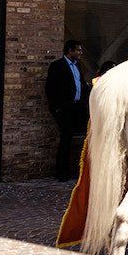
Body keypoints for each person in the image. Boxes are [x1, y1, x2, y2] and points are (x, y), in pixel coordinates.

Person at [44, 39, 91, 181]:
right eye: (78, 50)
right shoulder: (57, 66)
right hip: (64, 107)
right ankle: (61, 171)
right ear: (70, 51)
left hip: (76, 107)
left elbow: (80, 84)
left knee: (74, 137)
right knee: (66, 137)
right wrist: (57, 107)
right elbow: (50, 88)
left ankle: (72, 169)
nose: (80, 53)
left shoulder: (77, 66)